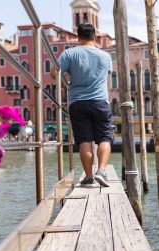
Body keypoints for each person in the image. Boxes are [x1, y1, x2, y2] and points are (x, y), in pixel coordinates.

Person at [51, 23, 112, 187]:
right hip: (100, 102)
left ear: (78, 37)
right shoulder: (105, 56)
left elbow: (54, 73)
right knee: (104, 138)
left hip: (77, 102)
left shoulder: (69, 54)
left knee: (84, 140)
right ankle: (102, 171)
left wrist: (66, 84)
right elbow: (106, 74)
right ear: (95, 37)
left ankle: (89, 176)